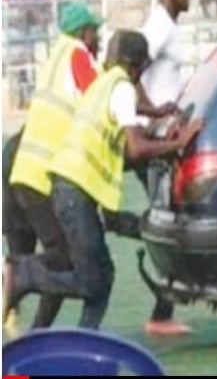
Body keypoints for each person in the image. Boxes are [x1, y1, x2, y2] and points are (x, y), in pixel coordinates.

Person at [2, 30, 204, 332]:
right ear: (138, 66)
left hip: (69, 189)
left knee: (103, 275)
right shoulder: (121, 87)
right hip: (74, 191)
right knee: (87, 279)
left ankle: (84, 341)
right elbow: (135, 149)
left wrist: (156, 121)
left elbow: (124, 132)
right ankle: (24, 275)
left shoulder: (104, 84)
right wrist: (177, 143)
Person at [4, 1, 103, 336]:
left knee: (60, 258)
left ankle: (36, 332)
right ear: (83, 33)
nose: (99, 38)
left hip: (25, 169)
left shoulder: (55, 56)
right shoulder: (78, 54)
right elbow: (100, 99)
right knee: (65, 258)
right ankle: (18, 272)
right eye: (95, 32)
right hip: (43, 175)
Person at [133, 0, 199, 336]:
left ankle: (163, 311)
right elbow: (130, 72)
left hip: (161, 134)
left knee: (169, 216)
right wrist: (153, 114)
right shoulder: (158, 26)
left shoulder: (168, 25)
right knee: (167, 219)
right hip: (154, 139)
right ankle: (161, 314)